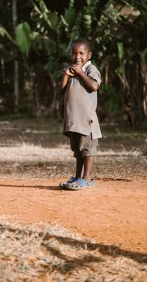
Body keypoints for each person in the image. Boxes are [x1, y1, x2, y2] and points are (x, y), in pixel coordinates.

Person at [58, 37, 102, 190]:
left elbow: (94, 86)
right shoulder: (70, 70)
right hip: (74, 121)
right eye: (74, 53)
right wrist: (67, 75)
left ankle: (87, 178)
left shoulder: (90, 69)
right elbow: (61, 90)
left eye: (82, 53)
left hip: (86, 121)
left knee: (87, 150)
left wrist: (80, 73)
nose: (78, 57)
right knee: (78, 151)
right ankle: (77, 177)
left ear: (89, 55)